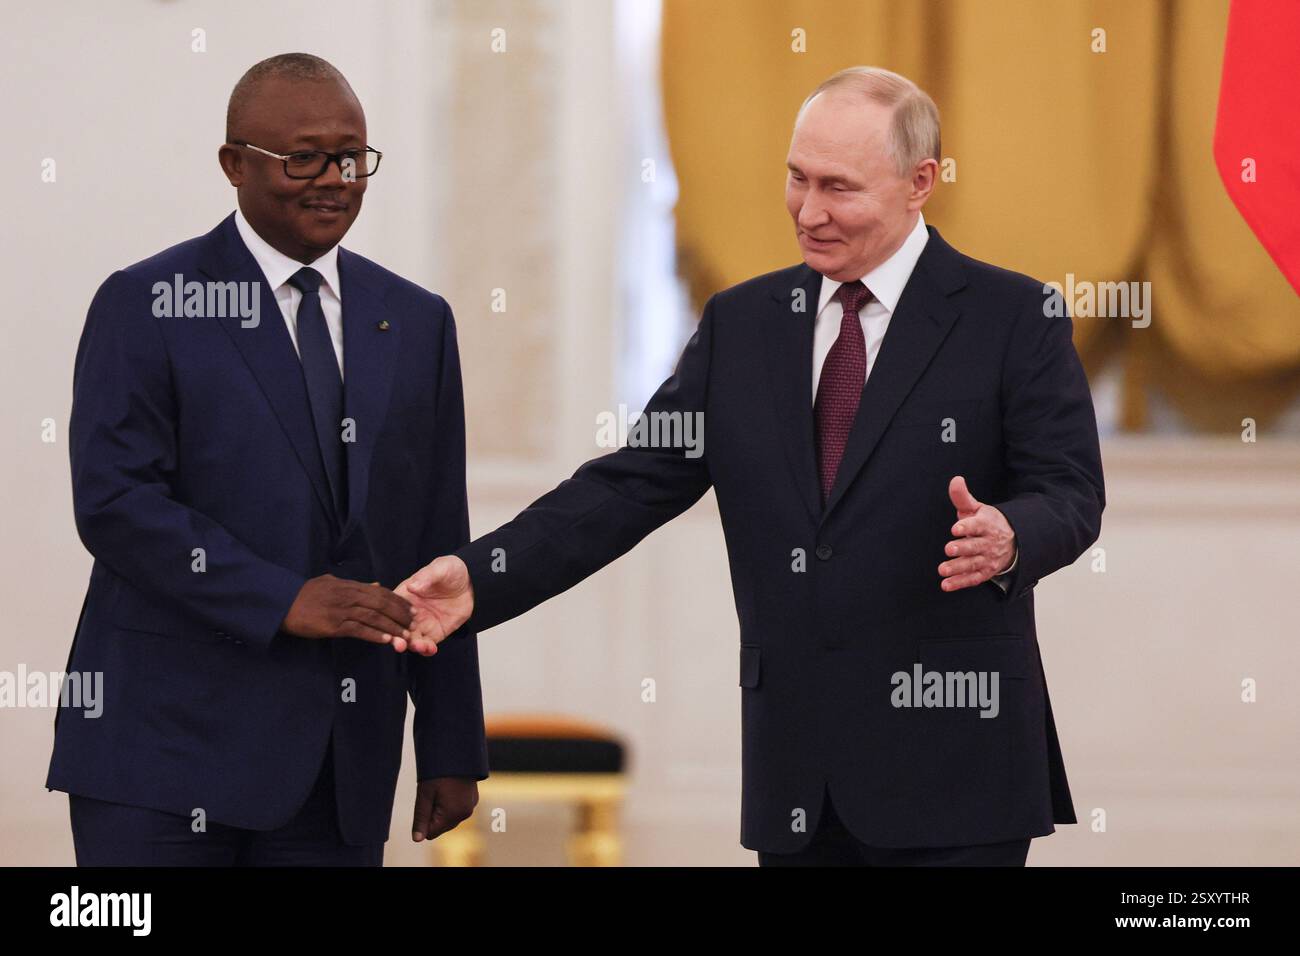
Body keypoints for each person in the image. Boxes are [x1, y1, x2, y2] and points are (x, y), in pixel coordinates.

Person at [396, 66, 1105, 866]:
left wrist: (1012, 534)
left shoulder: (1013, 317)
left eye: (839, 187)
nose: (810, 211)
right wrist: (480, 575)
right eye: (797, 179)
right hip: (796, 774)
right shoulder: (742, 325)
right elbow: (628, 485)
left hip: (957, 771)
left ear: (921, 183)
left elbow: (1071, 490)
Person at [47, 53, 487, 866]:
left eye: (351, 156)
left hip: (340, 767)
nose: (335, 179)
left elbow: (438, 539)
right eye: (305, 158)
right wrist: (282, 599)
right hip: (161, 758)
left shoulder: (418, 321)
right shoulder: (147, 301)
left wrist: (452, 740)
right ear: (234, 165)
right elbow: (114, 504)